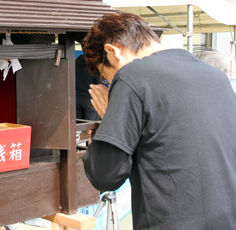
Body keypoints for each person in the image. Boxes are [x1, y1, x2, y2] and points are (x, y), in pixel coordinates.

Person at [81, 12, 236, 229]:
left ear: (112, 51)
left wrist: (112, 118)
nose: (109, 86)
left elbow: (105, 175)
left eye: (106, 78)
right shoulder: (217, 77)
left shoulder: (131, 76)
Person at [75, 52, 100, 121]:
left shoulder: (74, 63)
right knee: (90, 126)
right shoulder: (92, 65)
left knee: (78, 126)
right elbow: (99, 84)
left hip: (76, 99)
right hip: (90, 100)